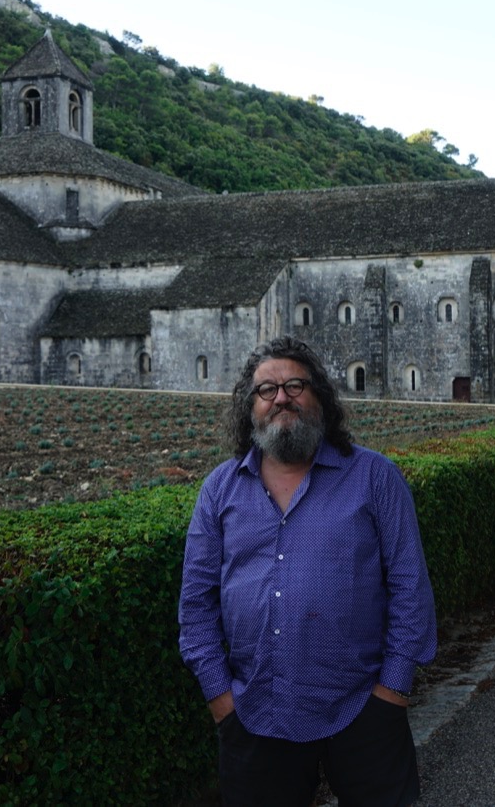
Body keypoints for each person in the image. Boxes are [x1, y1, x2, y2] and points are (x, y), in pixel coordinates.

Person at [179, 336, 438, 807]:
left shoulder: (375, 478)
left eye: (295, 385)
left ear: (319, 396)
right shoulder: (220, 489)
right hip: (255, 713)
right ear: (249, 406)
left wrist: (393, 691)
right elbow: (195, 605)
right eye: (266, 390)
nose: (281, 397)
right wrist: (222, 700)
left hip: (362, 709)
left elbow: (409, 587)